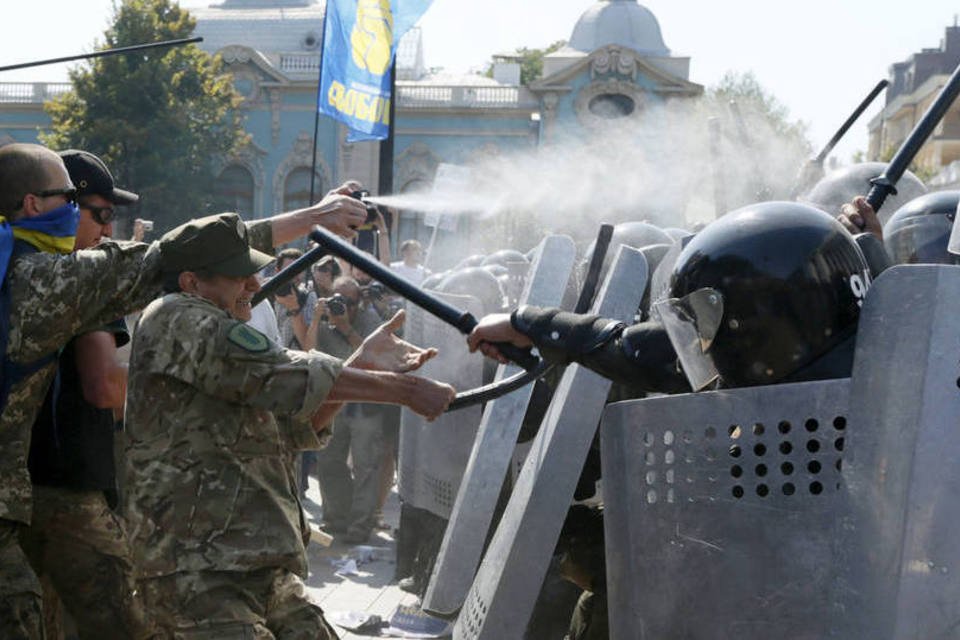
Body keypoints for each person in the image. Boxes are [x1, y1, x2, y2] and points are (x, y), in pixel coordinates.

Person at [0, 141, 367, 640]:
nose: (99, 224)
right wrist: (312, 218)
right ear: (31, 206)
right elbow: (168, 258)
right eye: (74, 203)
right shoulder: (41, 281)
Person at [123, 213, 455, 638]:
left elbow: (290, 430)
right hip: (195, 569)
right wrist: (405, 390)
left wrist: (363, 364)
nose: (255, 286)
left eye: (253, 274)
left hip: (253, 563)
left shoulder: (216, 336)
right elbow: (283, 370)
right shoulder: (176, 317)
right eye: (239, 276)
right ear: (191, 283)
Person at [20, 150, 153, 639]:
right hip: (68, 489)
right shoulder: (81, 281)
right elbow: (104, 385)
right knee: (128, 625)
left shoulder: (18, 267)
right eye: (100, 214)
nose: (107, 229)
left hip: (24, 488)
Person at [309, 276, 393, 543]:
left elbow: (376, 358)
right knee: (329, 461)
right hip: (333, 400)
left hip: (365, 403)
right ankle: (336, 518)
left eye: (350, 302)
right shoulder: (324, 320)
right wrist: (315, 319)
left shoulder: (369, 320)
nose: (344, 307)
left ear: (360, 301)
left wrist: (346, 328)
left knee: (365, 465)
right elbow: (309, 349)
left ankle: (360, 525)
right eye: (338, 301)